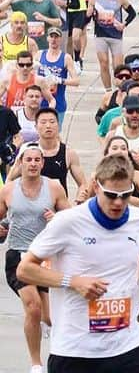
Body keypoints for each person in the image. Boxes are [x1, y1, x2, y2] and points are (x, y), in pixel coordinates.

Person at [16, 155, 139, 373]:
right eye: (111, 195)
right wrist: (73, 281)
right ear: (96, 186)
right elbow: (25, 269)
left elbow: (137, 255)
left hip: (127, 346)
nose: (118, 203)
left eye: (125, 195)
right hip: (76, 351)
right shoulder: (68, 221)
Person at [0, 143, 71, 373]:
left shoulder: (54, 188)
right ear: (20, 163)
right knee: (33, 307)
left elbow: (69, 219)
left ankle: (60, 349)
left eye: (36, 160)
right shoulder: (8, 190)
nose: (32, 164)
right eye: (27, 160)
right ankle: (36, 363)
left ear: (42, 163)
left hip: (46, 257)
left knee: (49, 316)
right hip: (18, 256)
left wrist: (56, 218)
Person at [36, 25, 80, 128]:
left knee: (54, 134)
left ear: (60, 39)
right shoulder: (39, 55)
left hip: (58, 103)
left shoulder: (66, 58)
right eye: (51, 36)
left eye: (56, 37)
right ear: (47, 38)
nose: (53, 40)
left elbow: (76, 81)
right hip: (39, 102)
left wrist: (60, 80)